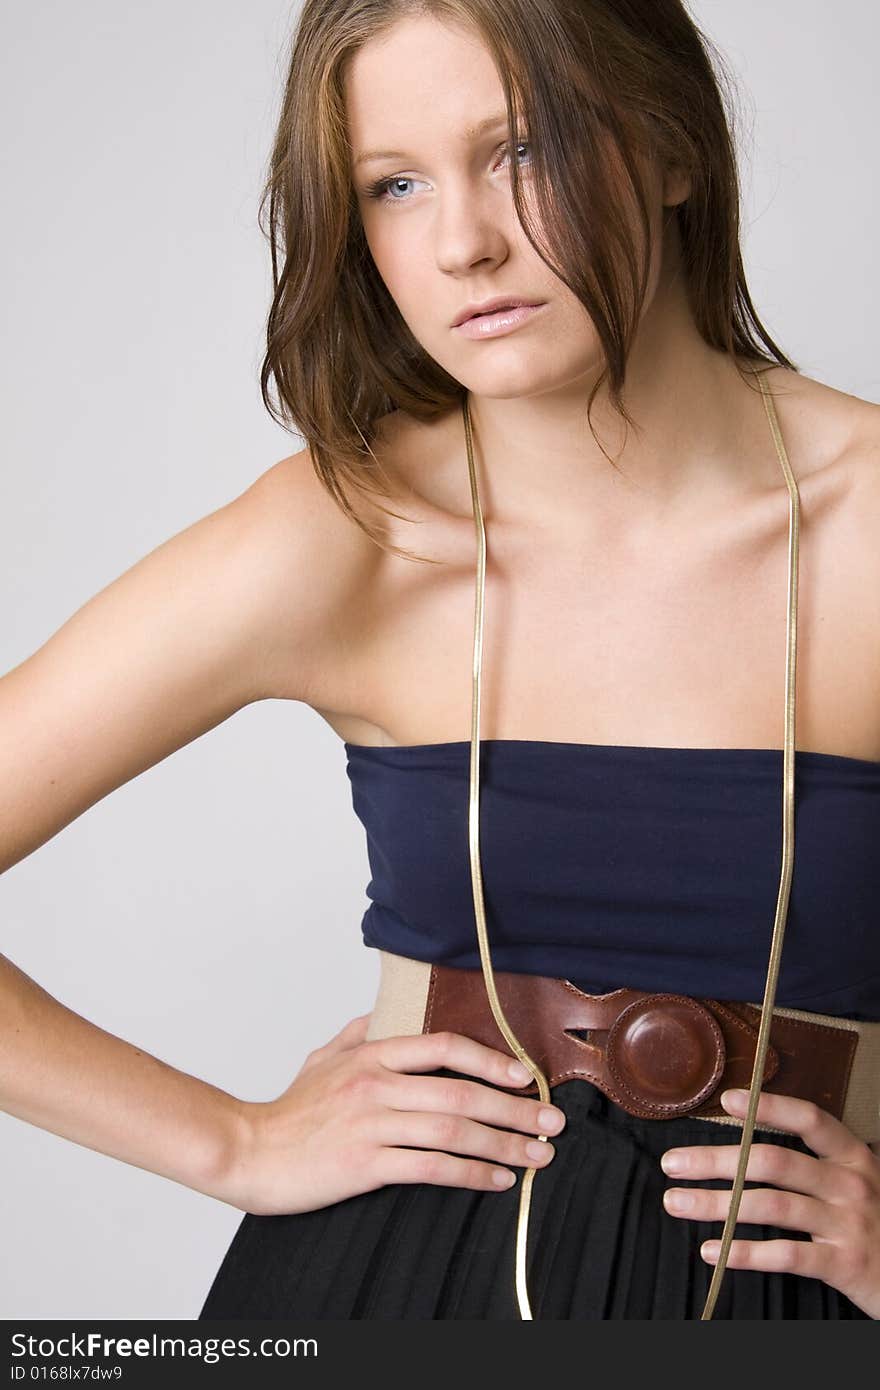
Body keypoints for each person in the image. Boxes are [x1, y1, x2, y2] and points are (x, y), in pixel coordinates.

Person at [2, 0, 878, 1322]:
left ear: (676, 150)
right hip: (388, 1291)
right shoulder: (347, 534)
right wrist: (230, 1141)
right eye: (394, 184)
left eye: (523, 150)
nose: (464, 241)